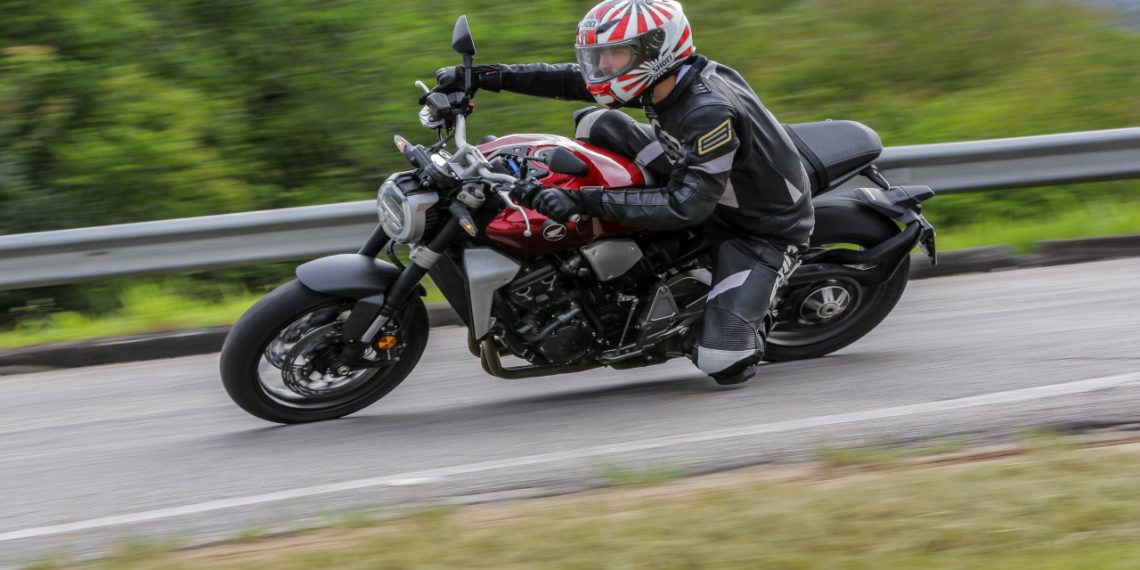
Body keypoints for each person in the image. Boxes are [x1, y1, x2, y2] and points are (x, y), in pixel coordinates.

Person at [429, 0, 814, 385]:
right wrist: (485, 76)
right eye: (598, 55)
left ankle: (740, 317)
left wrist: (581, 201)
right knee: (596, 122)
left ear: (656, 50)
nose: (603, 65)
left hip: (756, 226)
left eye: (615, 53)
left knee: (722, 361)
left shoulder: (706, 111)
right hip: (701, 180)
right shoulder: (664, 79)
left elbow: (687, 206)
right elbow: (570, 81)